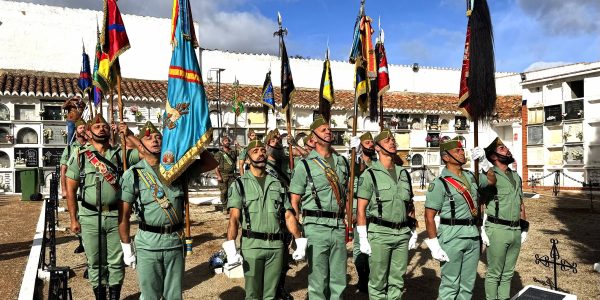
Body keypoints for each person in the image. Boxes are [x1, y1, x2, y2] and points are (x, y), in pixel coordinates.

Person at [118, 121, 217, 300]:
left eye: (159, 137)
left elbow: (211, 163)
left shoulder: (178, 170)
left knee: (174, 296)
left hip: (174, 241)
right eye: (148, 138)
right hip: (148, 244)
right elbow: (123, 215)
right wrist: (126, 247)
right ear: (140, 144)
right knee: (150, 296)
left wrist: (192, 141)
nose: (155, 141)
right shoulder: (132, 174)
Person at [65, 114, 140, 299]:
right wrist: (73, 219)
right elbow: (70, 190)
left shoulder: (121, 154)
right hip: (89, 216)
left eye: (105, 126)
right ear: (89, 131)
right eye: (97, 126)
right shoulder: (81, 156)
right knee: (95, 261)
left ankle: (114, 296)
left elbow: (145, 152)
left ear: (110, 130)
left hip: (117, 216)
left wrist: (129, 133)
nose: (101, 128)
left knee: (116, 261)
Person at [223, 139, 302, 300]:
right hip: (252, 246)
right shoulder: (239, 184)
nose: (260, 154)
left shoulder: (277, 184)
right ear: (247, 158)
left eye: (263, 151)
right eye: (255, 151)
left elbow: (288, 215)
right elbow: (234, 218)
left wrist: (299, 240)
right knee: (252, 294)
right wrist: (231, 247)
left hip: (276, 247)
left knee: (271, 295)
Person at [424, 137, 496, 300]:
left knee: (467, 286)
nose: (462, 153)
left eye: (462, 149)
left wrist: (485, 163)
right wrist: (434, 244)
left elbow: (491, 180)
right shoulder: (440, 183)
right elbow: (429, 216)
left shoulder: (472, 176)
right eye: (457, 150)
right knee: (450, 286)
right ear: (446, 157)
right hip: (451, 237)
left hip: (472, 235)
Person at [289, 116, 350, 300]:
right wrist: (296, 232)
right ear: (313, 138)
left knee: (339, 281)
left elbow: (347, 194)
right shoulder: (304, 165)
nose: (329, 131)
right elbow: (294, 200)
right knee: (318, 281)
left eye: (329, 129)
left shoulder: (343, 162)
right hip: (315, 226)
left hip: (338, 225)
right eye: (323, 130)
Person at [355, 129, 418, 299]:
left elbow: (409, 204)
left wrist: (413, 229)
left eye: (393, 140)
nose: (392, 142)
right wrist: (362, 237)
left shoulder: (404, 173)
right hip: (380, 233)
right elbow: (360, 209)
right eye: (387, 140)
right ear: (377, 147)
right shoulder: (369, 175)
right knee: (378, 282)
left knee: (397, 281)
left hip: (402, 233)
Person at [478, 137, 528, 300]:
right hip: (497, 229)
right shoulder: (489, 176)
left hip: (515, 229)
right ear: (492, 156)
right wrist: (481, 228)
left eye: (506, 148)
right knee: (494, 273)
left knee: (508, 274)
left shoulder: (516, 176)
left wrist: (524, 227)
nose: (507, 150)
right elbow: (480, 201)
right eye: (501, 149)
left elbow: (520, 203)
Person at [348, 131, 377, 293]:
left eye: (372, 143)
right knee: (359, 248)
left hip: (373, 211)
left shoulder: (377, 163)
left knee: (373, 247)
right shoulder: (352, 163)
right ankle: (363, 278)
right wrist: (349, 212)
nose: (371, 145)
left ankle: (373, 277)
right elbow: (348, 191)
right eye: (367, 143)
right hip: (358, 211)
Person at [60, 118, 87, 253]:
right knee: (75, 215)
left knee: (85, 215)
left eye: (85, 127)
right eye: (81, 127)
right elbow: (63, 169)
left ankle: (86, 241)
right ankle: (81, 241)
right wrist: (64, 188)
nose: (83, 129)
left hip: (87, 185)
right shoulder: (70, 148)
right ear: (76, 131)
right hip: (73, 186)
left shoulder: (92, 145)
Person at [214, 135, 238, 213]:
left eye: (228, 141)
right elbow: (215, 166)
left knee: (232, 191)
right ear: (222, 143)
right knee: (224, 192)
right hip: (223, 175)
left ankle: (230, 206)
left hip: (232, 175)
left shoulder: (233, 152)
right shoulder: (219, 154)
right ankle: (224, 207)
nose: (227, 142)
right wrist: (218, 176)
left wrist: (237, 145)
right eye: (225, 141)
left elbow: (243, 153)